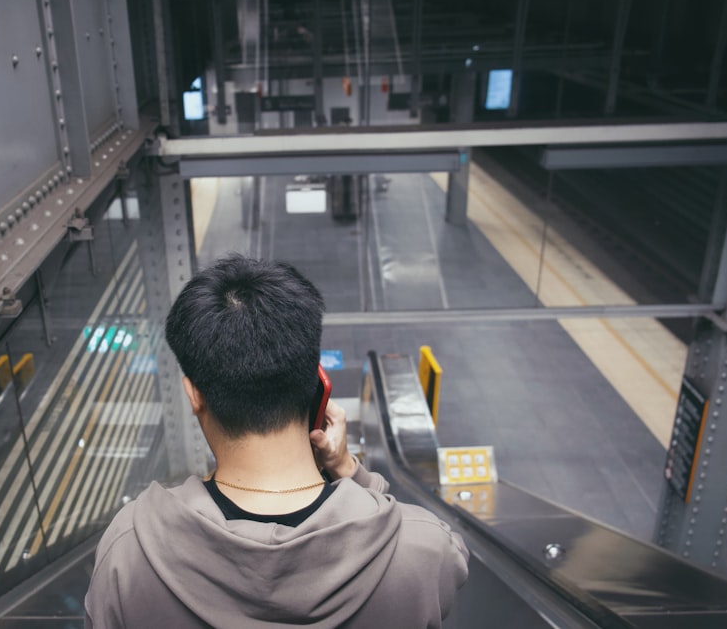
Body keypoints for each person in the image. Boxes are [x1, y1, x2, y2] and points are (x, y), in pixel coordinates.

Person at [84, 255, 468, 628]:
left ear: (193, 394)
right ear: (317, 382)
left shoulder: (128, 551)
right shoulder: (419, 549)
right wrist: (350, 472)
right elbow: (453, 557)